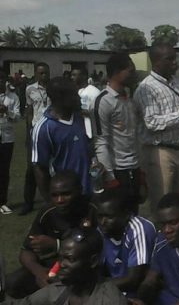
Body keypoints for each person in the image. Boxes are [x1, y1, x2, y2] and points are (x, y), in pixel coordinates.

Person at [133, 44, 179, 210]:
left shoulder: (176, 83)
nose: (175, 63)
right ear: (156, 61)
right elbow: (152, 123)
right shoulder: (146, 88)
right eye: (169, 59)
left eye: (175, 58)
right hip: (160, 152)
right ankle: (162, 234)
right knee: (162, 201)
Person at [5, 171, 96, 298]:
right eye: (54, 195)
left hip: (82, 267)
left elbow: (95, 249)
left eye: (66, 194)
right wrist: (39, 272)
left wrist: (57, 245)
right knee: (13, 282)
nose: (59, 200)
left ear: (79, 190)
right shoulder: (47, 212)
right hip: (51, 266)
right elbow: (26, 252)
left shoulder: (93, 209)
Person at [2, 228, 128, 305]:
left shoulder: (110, 300)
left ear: (93, 261)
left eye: (70, 259)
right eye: (61, 257)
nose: (61, 264)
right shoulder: (59, 290)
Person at [92, 52, 144, 211]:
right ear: (116, 72)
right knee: (118, 216)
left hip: (134, 167)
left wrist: (141, 170)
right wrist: (110, 176)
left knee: (134, 212)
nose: (134, 74)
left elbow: (135, 136)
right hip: (117, 171)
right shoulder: (104, 101)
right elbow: (101, 142)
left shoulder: (129, 100)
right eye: (130, 70)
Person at [31, 77, 91, 196]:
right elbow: (39, 168)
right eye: (74, 95)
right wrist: (50, 202)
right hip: (67, 197)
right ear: (60, 98)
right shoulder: (44, 128)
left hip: (89, 192)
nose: (79, 98)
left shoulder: (80, 118)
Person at [94, 188, 156, 296]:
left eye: (109, 217)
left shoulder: (139, 229)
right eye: (100, 216)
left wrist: (95, 287)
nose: (103, 222)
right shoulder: (101, 231)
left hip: (139, 292)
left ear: (126, 214)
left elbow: (133, 280)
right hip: (113, 289)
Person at [20, 62, 50, 215]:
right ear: (36, 74)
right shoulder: (29, 89)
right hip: (35, 132)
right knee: (31, 168)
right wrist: (28, 132)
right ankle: (28, 203)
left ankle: (51, 200)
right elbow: (30, 111)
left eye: (46, 73)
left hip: (51, 132)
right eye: (41, 73)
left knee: (50, 167)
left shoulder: (53, 88)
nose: (44, 76)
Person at [0, 70, 21, 214]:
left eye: (1, 79)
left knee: (4, 171)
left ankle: (2, 202)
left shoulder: (13, 97)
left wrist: (8, 111)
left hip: (6, 138)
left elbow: (18, 118)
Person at [70, 66, 100, 139]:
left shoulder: (94, 92)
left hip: (91, 135)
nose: (71, 77)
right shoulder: (76, 91)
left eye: (74, 75)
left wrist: (83, 112)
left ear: (84, 76)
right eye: (71, 75)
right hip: (79, 134)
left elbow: (100, 113)